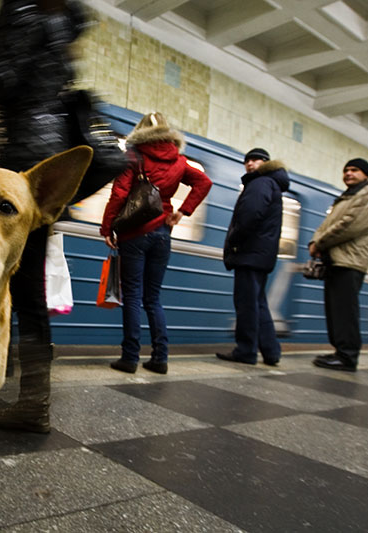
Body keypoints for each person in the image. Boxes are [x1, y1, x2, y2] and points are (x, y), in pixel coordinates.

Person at [0, 0, 87, 433]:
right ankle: (20, 389)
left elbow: (4, 80)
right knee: (22, 287)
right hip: (41, 162)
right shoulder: (63, 23)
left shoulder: (26, 12)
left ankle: (24, 399)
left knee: (12, 284)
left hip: (15, 158)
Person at [100, 112, 212, 375]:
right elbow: (204, 182)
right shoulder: (179, 160)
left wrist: (107, 227)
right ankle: (160, 358)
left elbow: (119, 194)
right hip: (162, 234)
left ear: (140, 131)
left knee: (133, 297)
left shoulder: (134, 156)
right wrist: (182, 211)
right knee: (153, 299)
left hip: (135, 235)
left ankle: (130, 358)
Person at [216, 148, 289, 366]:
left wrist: (235, 241)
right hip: (261, 254)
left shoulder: (260, 183)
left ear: (266, 163)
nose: (250, 163)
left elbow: (250, 215)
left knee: (247, 304)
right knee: (258, 304)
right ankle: (271, 351)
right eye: (247, 160)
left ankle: (246, 350)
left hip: (250, 253)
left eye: (256, 160)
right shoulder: (271, 184)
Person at [310, 158, 368, 372]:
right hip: (337, 260)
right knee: (335, 311)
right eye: (346, 170)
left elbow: (349, 226)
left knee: (345, 312)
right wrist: (316, 241)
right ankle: (340, 352)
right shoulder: (347, 197)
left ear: (366, 175)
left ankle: (348, 356)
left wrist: (319, 242)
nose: (349, 174)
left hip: (350, 262)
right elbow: (329, 224)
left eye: (355, 170)